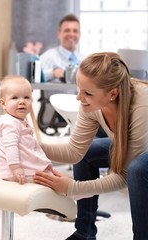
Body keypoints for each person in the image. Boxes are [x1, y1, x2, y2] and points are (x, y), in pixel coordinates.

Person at [34, 52, 148, 240]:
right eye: (79, 89)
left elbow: (125, 176)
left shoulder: (141, 106)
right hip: (131, 146)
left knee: (137, 170)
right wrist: (33, 146)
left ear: (113, 93)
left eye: (87, 93)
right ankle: (84, 233)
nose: (79, 98)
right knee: (88, 153)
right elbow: (74, 152)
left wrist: (72, 188)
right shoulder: (91, 104)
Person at [0, 75, 53, 184]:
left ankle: (77, 192)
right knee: (51, 180)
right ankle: (76, 193)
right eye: (15, 98)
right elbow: (10, 147)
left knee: (53, 176)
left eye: (26, 97)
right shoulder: (10, 123)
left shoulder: (17, 121)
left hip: (21, 170)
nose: (22, 101)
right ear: (3, 103)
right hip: (19, 173)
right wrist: (16, 168)